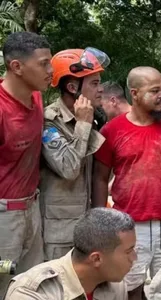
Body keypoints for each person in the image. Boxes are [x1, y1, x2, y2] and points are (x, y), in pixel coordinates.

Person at [92, 66, 161, 300]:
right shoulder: (112, 130)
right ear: (134, 93)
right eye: (154, 90)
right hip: (129, 226)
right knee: (128, 289)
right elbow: (100, 177)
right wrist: (99, 220)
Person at [38, 47, 110, 261]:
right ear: (72, 87)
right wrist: (83, 125)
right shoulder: (50, 121)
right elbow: (68, 168)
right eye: (94, 84)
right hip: (58, 233)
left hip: (83, 226)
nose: (101, 90)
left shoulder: (90, 118)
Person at [0, 31, 52, 296]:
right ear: (16, 67)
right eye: (43, 63)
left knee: (31, 286)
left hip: (32, 207)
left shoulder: (37, 97)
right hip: (3, 218)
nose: (50, 70)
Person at [4, 208, 136, 300]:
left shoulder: (115, 285)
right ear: (96, 259)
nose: (134, 258)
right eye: (129, 251)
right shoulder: (32, 292)